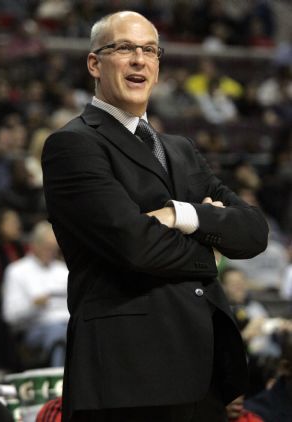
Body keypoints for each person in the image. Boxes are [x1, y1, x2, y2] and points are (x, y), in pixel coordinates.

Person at [41, 11, 269, 422]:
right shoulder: (73, 145)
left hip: (204, 373)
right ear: (95, 63)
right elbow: (136, 245)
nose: (139, 60)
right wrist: (211, 249)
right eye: (125, 48)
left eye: (149, 50)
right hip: (128, 377)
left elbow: (254, 233)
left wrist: (179, 214)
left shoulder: (179, 148)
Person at [2, 220, 69, 367]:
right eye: (47, 247)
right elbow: (10, 316)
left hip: (67, 323)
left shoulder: (63, 270)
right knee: (59, 334)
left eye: (53, 249)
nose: (51, 253)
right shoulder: (17, 271)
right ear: (34, 245)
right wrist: (33, 305)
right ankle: (59, 383)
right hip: (35, 328)